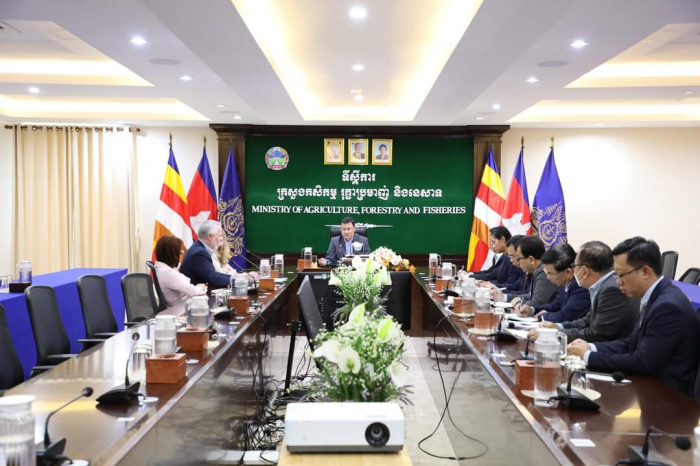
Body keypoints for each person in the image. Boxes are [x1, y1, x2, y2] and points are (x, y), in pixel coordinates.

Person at [568, 237, 700, 396]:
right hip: (650, 385)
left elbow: (642, 362)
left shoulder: (668, 306)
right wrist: (590, 347)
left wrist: (587, 356)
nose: (618, 282)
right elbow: (631, 342)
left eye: (621, 275)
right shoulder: (655, 296)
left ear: (645, 272)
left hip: (669, 395)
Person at [530, 241, 639, 343]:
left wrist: (551, 334)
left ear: (585, 270)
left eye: (574, 266)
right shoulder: (602, 286)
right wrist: (558, 327)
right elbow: (587, 321)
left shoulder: (611, 290)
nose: (573, 270)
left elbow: (597, 335)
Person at [519, 243, 590, 323]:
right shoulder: (565, 283)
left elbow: (565, 317)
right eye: (546, 273)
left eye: (550, 274)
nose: (547, 277)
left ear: (568, 272)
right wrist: (532, 309)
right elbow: (555, 306)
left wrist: (543, 316)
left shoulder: (581, 287)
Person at [493, 236, 559, 308]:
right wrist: (506, 297)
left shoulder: (544, 272)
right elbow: (530, 295)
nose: (517, 261)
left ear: (531, 259)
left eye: (519, 258)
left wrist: (519, 301)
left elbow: (537, 303)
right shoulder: (537, 270)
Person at [153, 235, 207, 307]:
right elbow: (192, 291)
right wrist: (202, 287)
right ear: (172, 254)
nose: (180, 256)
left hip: (180, 305)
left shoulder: (160, 268)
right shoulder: (168, 273)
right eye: (180, 253)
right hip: (181, 309)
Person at [180, 220, 233, 289]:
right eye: (219, 235)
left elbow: (213, 275)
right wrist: (238, 281)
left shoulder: (199, 248)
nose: (221, 238)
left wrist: (235, 278)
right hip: (195, 295)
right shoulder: (199, 253)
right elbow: (213, 278)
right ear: (210, 236)